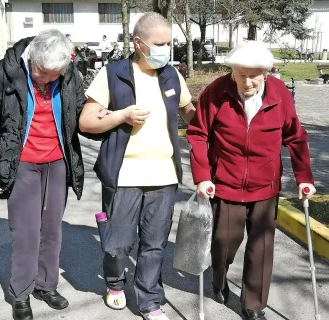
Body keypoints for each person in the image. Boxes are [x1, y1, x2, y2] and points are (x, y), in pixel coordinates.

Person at [186, 41, 316, 320]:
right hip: (226, 184)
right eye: (241, 74)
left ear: (266, 73)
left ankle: (254, 304)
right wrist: (202, 176)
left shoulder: (280, 94)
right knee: (224, 243)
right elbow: (197, 133)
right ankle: (218, 278)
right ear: (232, 71)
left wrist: (304, 177)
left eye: (254, 75)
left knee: (261, 248)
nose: (247, 82)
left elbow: (295, 137)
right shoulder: (216, 92)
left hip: (265, 187)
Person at [79, 12, 195, 320]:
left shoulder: (172, 75)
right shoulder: (113, 73)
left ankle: (149, 301)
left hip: (165, 176)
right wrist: (121, 116)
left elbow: (188, 111)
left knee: (155, 245)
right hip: (124, 175)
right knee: (118, 244)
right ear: (138, 42)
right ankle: (115, 283)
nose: (165, 50)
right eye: (159, 44)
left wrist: (217, 120)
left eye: (169, 44)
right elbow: (87, 121)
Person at [0, 29, 87, 320]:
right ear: (31, 58)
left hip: (58, 161)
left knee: (52, 230)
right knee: (26, 233)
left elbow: (80, 112)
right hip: (21, 163)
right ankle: (21, 291)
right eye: (42, 73)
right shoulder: (6, 71)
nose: (48, 80)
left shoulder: (69, 72)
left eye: (54, 75)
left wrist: (109, 120)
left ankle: (46, 285)